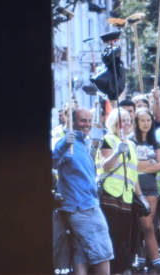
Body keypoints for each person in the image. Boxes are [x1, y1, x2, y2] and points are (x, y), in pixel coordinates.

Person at [52, 108, 113, 275]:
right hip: (83, 208)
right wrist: (64, 144)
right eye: (82, 120)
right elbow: (51, 163)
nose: (86, 124)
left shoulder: (83, 143)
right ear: (71, 122)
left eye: (89, 120)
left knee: (81, 253)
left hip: (84, 205)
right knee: (102, 253)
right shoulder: (65, 143)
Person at [97, 108, 148, 275]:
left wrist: (142, 198)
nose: (126, 123)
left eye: (128, 120)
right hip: (110, 194)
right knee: (110, 234)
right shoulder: (108, 140)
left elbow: (134, 174)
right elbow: (105, 165)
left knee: (124, 236)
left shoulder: (132, 145)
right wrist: (117, 152)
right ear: (114, 123)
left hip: (126, 196)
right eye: (122, 120)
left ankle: (122, 267)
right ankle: (110, 270)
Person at [129, 108, 160, 273]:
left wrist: (142, 165)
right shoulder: (130, 141)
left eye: (149, 120)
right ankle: (137, 259)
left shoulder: (154, 142)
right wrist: (150, 164)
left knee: (149, 226)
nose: (146, 123)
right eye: (142, 120)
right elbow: (131, 166)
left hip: (151, 188)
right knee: (134, 227)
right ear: (136, 122)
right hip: (132, 188)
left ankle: (154, 262)